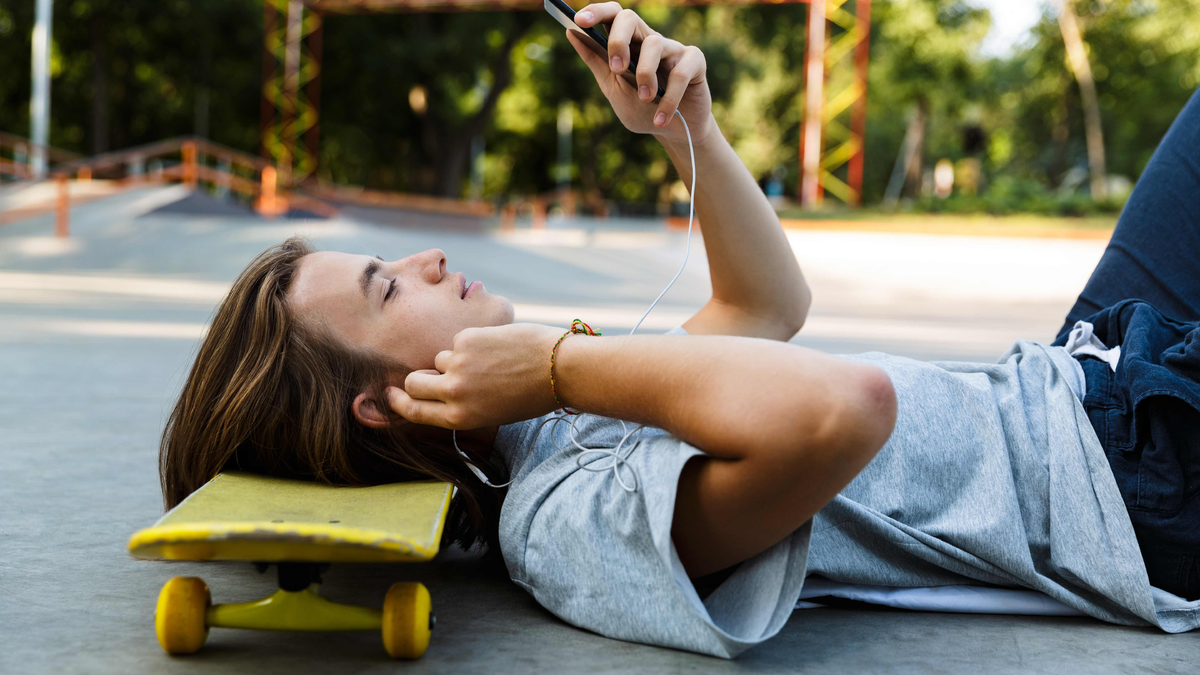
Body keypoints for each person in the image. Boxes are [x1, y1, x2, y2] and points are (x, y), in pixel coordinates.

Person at [158, 3, 1199, 658]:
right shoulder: (559, 522)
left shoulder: (550, 430)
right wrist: (567, 367)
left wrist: (683, 129)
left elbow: (763, 314)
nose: (426, 261)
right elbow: (839, 410)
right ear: (391, 401)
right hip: (1134, 474)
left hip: (1089, 372)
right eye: (387, 286)